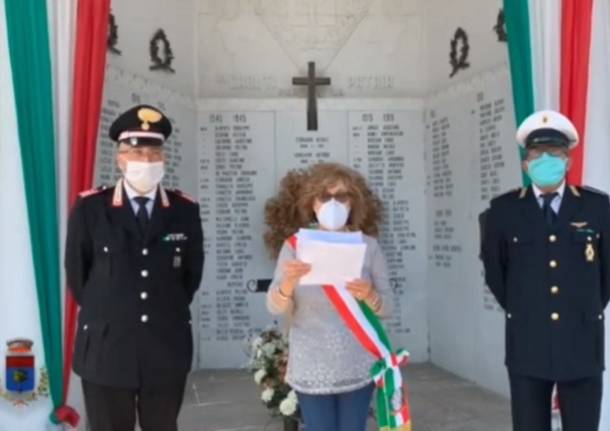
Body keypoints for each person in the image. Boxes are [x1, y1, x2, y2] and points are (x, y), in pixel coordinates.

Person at [65, 104, 204, 431]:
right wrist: (114, 308)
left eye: (154, 153)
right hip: (107, 348)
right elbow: (77, 274)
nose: (146, 160)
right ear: (120, 158)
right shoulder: (91, 208)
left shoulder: (184, 210)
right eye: (137, 151)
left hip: (165, 346)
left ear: (164, 159)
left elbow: (190, 277)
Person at [481, 110, 610, 431]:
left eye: (554, 154)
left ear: (568, 161)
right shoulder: (504, 211)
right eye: (537, 154)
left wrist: (585, 307)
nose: (546, 160)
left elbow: (606, 274)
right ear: (526, 164)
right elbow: (496, 274)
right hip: (528, 340)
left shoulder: (597, 207)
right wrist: (525, 309)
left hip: (582, 340)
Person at [264, 162, 391, 431]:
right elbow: (273, 306)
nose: (333, 203)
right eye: (324, 196)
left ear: (352, 203)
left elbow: (388, 307)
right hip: (312, 363)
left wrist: (370, 295)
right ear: (312, 203)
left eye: (341, 196)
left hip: (357, 360)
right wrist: (288, 283)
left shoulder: (368, 246)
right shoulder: (295, 246)